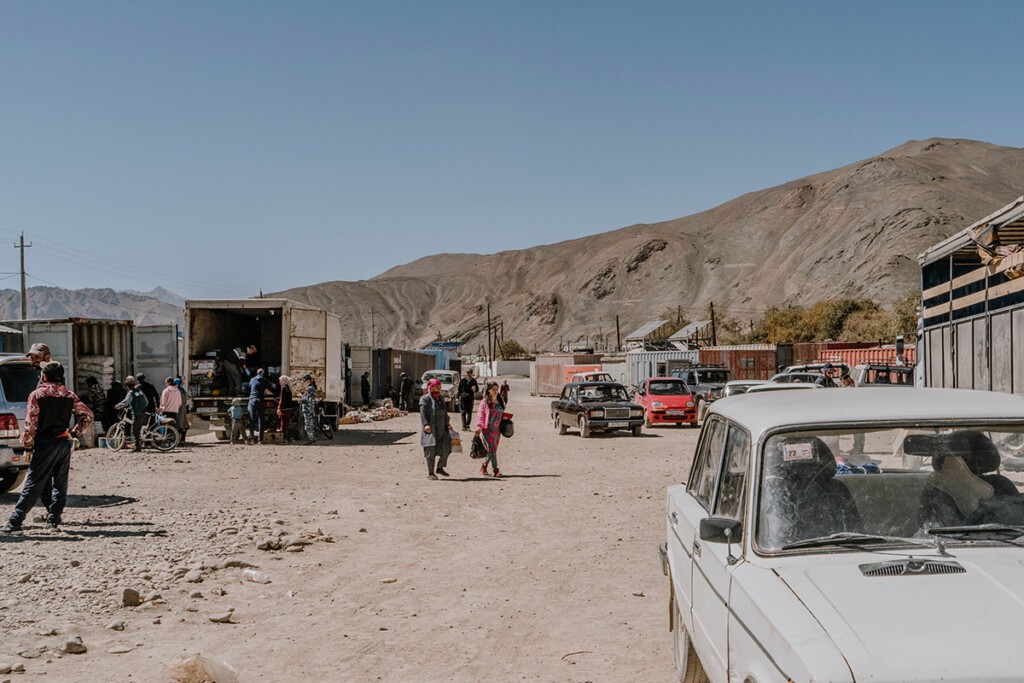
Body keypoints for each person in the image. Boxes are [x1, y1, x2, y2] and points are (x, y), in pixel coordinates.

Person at [3, 361, 93, 534]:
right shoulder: (69, 395)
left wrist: (28, 447)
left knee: (33, 482)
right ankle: (53, 520)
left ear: (44, 376)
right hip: (63, 443)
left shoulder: (37, 395)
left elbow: (30, 425)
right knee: (60, 484)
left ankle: (15, 522)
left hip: (45, 444)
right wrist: (73, 434)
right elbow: (88, 415)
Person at [420, 378, 453, 480]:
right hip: (431, 429)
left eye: (439, 387)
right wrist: (426, 424)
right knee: (431, 451)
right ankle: (431, 473)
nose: (438, 389)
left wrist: (447, 423)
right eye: (436, 387)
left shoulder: (441, 398)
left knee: (447, 447)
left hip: (442, 428)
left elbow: (444, 412)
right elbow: (423, 413)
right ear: (431, 387)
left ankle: (440, 467)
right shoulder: (425, 399)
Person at [476, 380, 505, 477]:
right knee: (491, 449)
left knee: (492, 450)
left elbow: (501, 413)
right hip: (487, 429)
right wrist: (479, 427)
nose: (495, 391)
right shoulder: (485, 402)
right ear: (489, 390)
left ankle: (484, 466)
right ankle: (496, 470)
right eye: (493, 389)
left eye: (497, 389)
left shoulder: (500, 400)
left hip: (497, 431)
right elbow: (481, 415)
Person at [115, 376, 148, 452]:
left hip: (137, 414)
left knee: (134, 431)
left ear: (127, 386)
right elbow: (146, 401)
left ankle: (137, 448)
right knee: (139, 429)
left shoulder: (131, 393)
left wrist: (117, 406)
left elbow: (125, 402)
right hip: (143, 412)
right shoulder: (139, 391)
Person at [247, 369, 274, 444]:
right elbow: (271, 389)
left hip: (252, 400)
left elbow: (249, 388)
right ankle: (260, 440)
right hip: (260, 401)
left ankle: (251, 438)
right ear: (262, 373)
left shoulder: (252, 380)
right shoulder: (264, 380)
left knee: (252, 419)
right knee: (261, 420)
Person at [300, 373, 318, 445]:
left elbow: (306, 399)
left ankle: (311, 440)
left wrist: (301, 396)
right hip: (309, 409)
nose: (305, 383)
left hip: (308, 409)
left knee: (309, 425)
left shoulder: (310, 388)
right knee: (309, 425)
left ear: (309, 381)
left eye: (306, 381)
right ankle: (311, 439)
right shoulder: (311, 388)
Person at [277, 375, 296, 442]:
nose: (279, 382)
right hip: (289, 408)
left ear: (283, 380)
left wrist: (279, 408)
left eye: (280, 380)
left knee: (283, 423)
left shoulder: (283, 388)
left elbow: (281, 399)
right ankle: (289, 438)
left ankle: (283, 438)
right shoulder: (288, 388)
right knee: (287, 423)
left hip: (284, 408)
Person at [173, 378, 190, 443]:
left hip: (177, 411)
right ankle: (182, 439)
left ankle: (177, 439)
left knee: (177, 424)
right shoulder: (183, 391)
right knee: (183, 424)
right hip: (183, 411)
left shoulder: (176, 391)